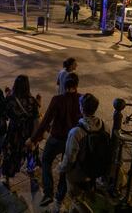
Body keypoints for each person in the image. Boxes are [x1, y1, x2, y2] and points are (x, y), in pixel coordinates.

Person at [26, 73, 81, 209]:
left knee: (46, 160)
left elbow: (45, 122)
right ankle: (59, 198)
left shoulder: (57, 99)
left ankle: (48, 192)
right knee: (65, 168)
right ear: (76, 86)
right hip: (71, 140)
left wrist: (34, 139)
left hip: (56, 138)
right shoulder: (81, 99)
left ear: (64, 86)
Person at [59, 93, 106, 213]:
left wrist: (62, 168)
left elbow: (70, 158)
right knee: (85, 192)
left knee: (75, 197)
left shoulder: (76, 132)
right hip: (96, 169)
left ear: (81, 108)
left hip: (79, 173)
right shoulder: (105, 127)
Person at [1, 75, 40, 187]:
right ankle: (31, 170)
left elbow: (5, 116)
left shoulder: (10, 99)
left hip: (14, 131)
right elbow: (36, 120)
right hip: (28, 131)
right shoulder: (32, 101)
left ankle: (7, 177)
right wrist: (34, 137)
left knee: (11, 153)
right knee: (30, 152)